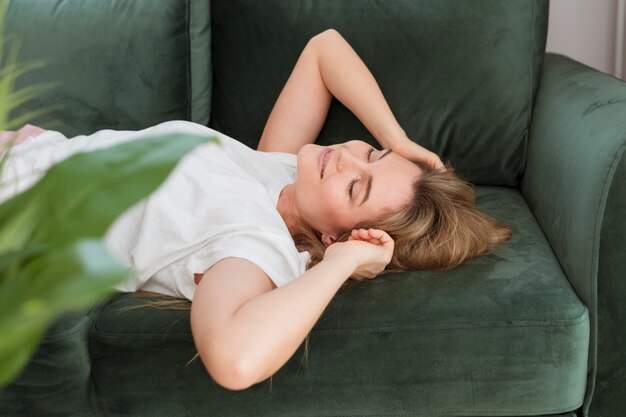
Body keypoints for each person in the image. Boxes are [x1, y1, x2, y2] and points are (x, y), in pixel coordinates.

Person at [0, 29, 510, 391]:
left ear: (336, 236)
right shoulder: (279, 171)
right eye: (370, 154)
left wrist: (343, 266)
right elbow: (324, 49)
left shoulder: (252, 245)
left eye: (357, 188)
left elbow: (235, 361)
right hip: (26, 149)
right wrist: (396, 139)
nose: (347, 158)